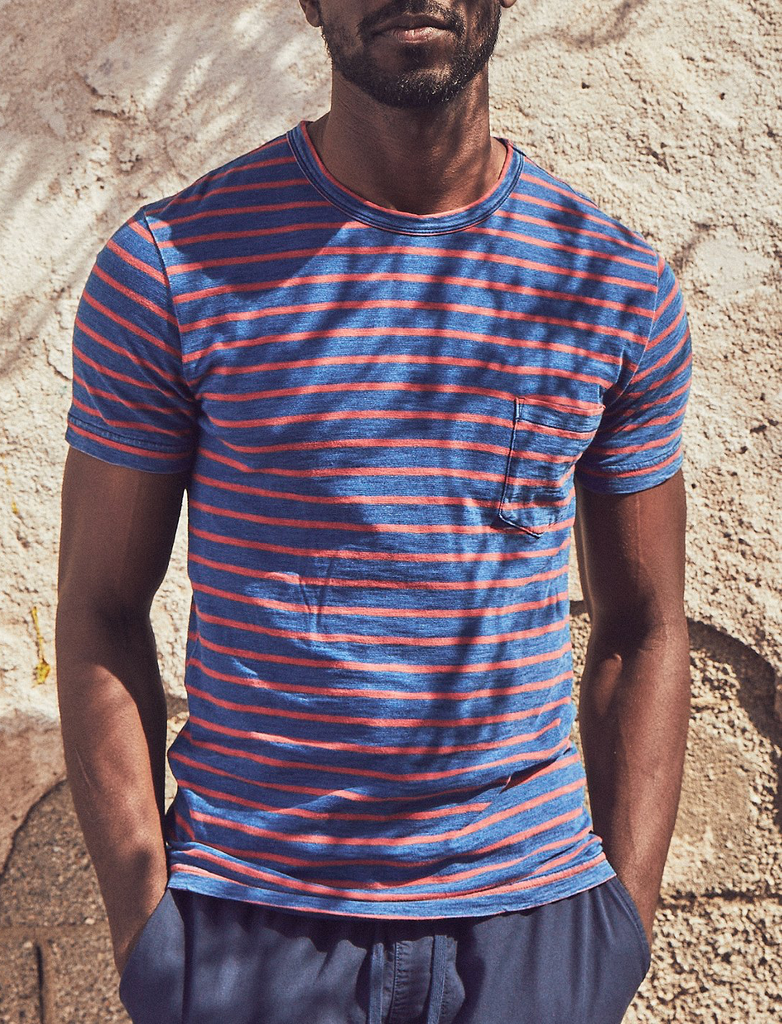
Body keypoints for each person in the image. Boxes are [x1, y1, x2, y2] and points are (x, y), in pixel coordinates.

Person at [56, 1, 693, 1022]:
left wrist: (622, 925)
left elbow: (647, 622)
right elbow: (97, 606)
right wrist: (149, 934)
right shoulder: (172, 266)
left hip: (533, 934)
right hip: (249, 930)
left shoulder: (613, 286)